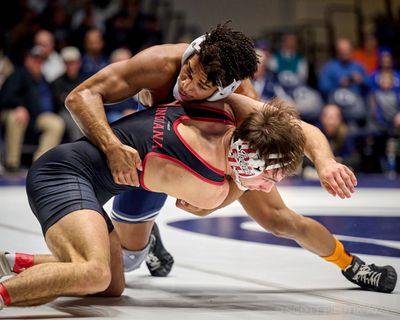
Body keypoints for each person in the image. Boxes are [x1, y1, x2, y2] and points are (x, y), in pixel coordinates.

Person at [62, 23, 395, 290]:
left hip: (221, 164)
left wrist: (325, 162)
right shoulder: (162, 63)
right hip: (153, 155)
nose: (186, 84)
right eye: (188, 71)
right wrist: (111, 147)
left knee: (279, 219)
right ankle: (145, 241)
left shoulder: (239, 97)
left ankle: (351, 264)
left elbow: (300, 130)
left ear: (223, 90)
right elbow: (82, 95)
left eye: (200, 83)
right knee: (128, 261)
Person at [0, 94, 307, 307]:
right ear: (249, 160)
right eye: (270, 176)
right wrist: (242, 182)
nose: (267, 187)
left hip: (80, 177)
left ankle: (15, 262)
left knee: (111, 286)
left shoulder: (215, 113)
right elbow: (203, 205)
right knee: (94, 271)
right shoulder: (206, 186)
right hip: (62, 175)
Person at [0, 46, 65, 173]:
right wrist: (19, 106)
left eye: (40, 60)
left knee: (56, 123)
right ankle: (12, 163)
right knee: (16, 118)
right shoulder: (18, 74)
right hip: (14, 112)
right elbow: (6, 97)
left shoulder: (43, 79)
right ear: (27, 60)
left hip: (37, 116)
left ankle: (40, 162)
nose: (38, 63)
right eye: (34, 59)